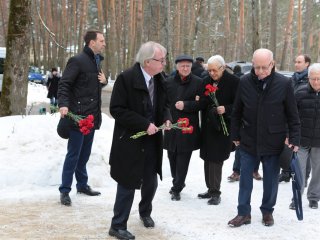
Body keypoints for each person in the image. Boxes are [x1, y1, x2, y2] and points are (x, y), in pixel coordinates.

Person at [228, 48, 300, 227]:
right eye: (256, 67)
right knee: (245, 180)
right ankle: (243, 213)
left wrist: (294, 139)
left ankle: (267, 211)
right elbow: (236, 112)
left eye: (264, 68)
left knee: (270, 181)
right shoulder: (244, 81)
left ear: (272, 64)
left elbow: (293, 115)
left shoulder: (284, 83)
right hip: (248, 140)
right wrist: (235, 134)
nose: (260, 72)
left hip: (274, 141)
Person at [108, 41, 171, 240]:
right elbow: (117, 109)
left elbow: (165, 103)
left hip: (152, 141)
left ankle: (145, 212)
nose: (164, 63)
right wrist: (144, 124)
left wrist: (167, 117)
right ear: (147, 62)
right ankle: (117, 225)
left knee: (150, 181)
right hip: (130, 141)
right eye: (161, 60)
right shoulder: (126, 79)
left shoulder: (159, 78)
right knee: (127, 182)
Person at [57, 30, 107, 206]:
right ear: (91, 43)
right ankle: (64, 190)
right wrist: (63, 104)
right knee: (74, 155)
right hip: (78, 117)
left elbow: (93, 87)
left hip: (91, 117)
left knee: (84, 155)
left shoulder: (97, 61)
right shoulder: (77, 61)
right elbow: (64, 83)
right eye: (101, 40)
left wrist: (104, 81)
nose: (104, 43)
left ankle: (82, 185)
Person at [197, 55, 239, 205]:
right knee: (207, 158)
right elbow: (202, 101)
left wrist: (226, 109)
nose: (212, 74)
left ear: (223, 67)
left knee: (216, 159)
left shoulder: (234, 82)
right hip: (208, 126)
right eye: (209, 71)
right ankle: (210, 189)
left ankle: (216, 192)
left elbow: (240, 105)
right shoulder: (206, 81)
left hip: (223, 127)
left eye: (214, 70)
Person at [164, 55, 203, 201]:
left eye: (188, 66)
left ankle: (177, 188)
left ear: (191, 67)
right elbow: (164, 104)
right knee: (171, 156)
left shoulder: (198, 82)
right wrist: (166, 119)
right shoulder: (168, 82)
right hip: (171, 125)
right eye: (182, 66)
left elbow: (202, 104)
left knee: (183, 158)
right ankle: (177, 180)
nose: (185, 68)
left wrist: (186, 105)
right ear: (177, 67)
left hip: (188, 127)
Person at [290, 63, 320, 210]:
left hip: (319, 142)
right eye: (313, 79)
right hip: (301, 140)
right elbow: (291, 116)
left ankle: (314, 197)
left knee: (318, 171)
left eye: (319, 79)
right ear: (308, 78)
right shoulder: (300, 93)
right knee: (299, 170)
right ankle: (296, 197)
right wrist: (290, 135)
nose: (316, 82)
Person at [279, 54, 312, 183]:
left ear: (307, 64)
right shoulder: (292, 79)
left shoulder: (311, 79)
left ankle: (303, 175)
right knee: (288, 144)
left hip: (305, 118)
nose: (296, 64)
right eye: (295, 61)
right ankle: (286, 172)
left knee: (304, 150)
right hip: (290, 117)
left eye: (299, 62)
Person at [228, 65, 262, 182]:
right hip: (244, 125)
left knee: (258, 150)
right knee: (239, 150)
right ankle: (236, 171)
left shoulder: (267, 82)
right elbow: (237, 107)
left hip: (260, 125)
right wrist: (235, 131)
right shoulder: (244, 81)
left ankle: (255, 170)